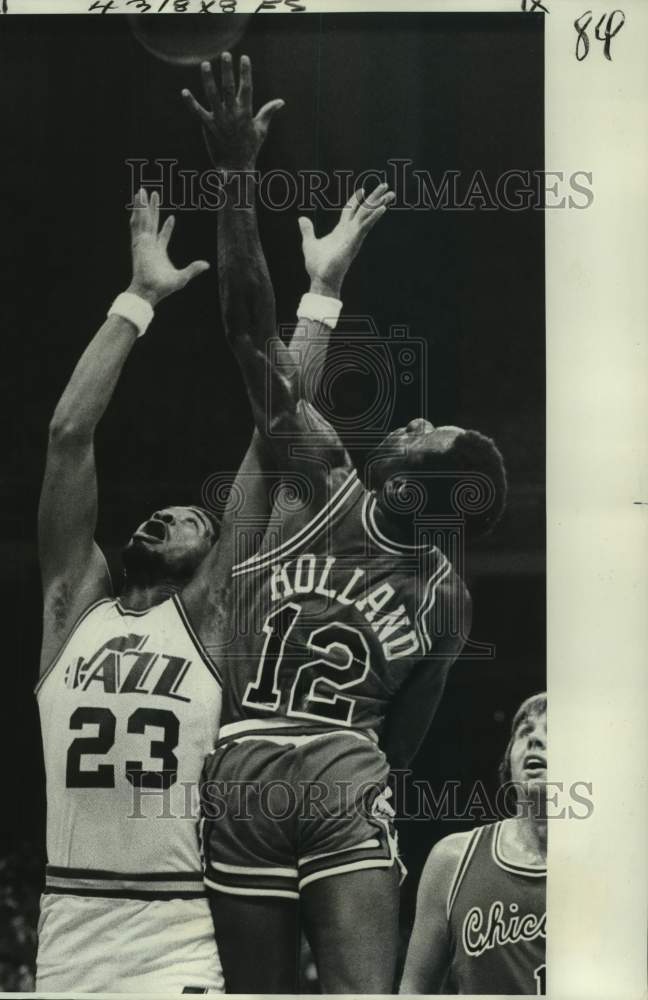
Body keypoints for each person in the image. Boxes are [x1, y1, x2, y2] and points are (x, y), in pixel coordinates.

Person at [182, 53, 508, 992]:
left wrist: (234, 170)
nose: (406, 423)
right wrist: (248, 195)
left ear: (420, 489)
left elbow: (248, 332)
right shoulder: (442, 593)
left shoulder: (332, 483)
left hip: (281, 762)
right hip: (285, 762)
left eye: (421, 433)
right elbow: (401, 745)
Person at [34, 188, 272, 992]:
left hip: (174, 934)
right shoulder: (74, 606)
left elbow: (274, 434)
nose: (165, 516)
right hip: (66, 933)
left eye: (189, 520)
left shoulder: (208, 619)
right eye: (160, 513)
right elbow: (70, 433)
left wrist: (322, 298)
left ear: (212, 560)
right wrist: (136, 299)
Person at [400, 693, 547, 995]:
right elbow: (414, 991)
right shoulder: (453, 859)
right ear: (509, 761)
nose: (535, 740)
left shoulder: (609, 866)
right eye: (525, 731)